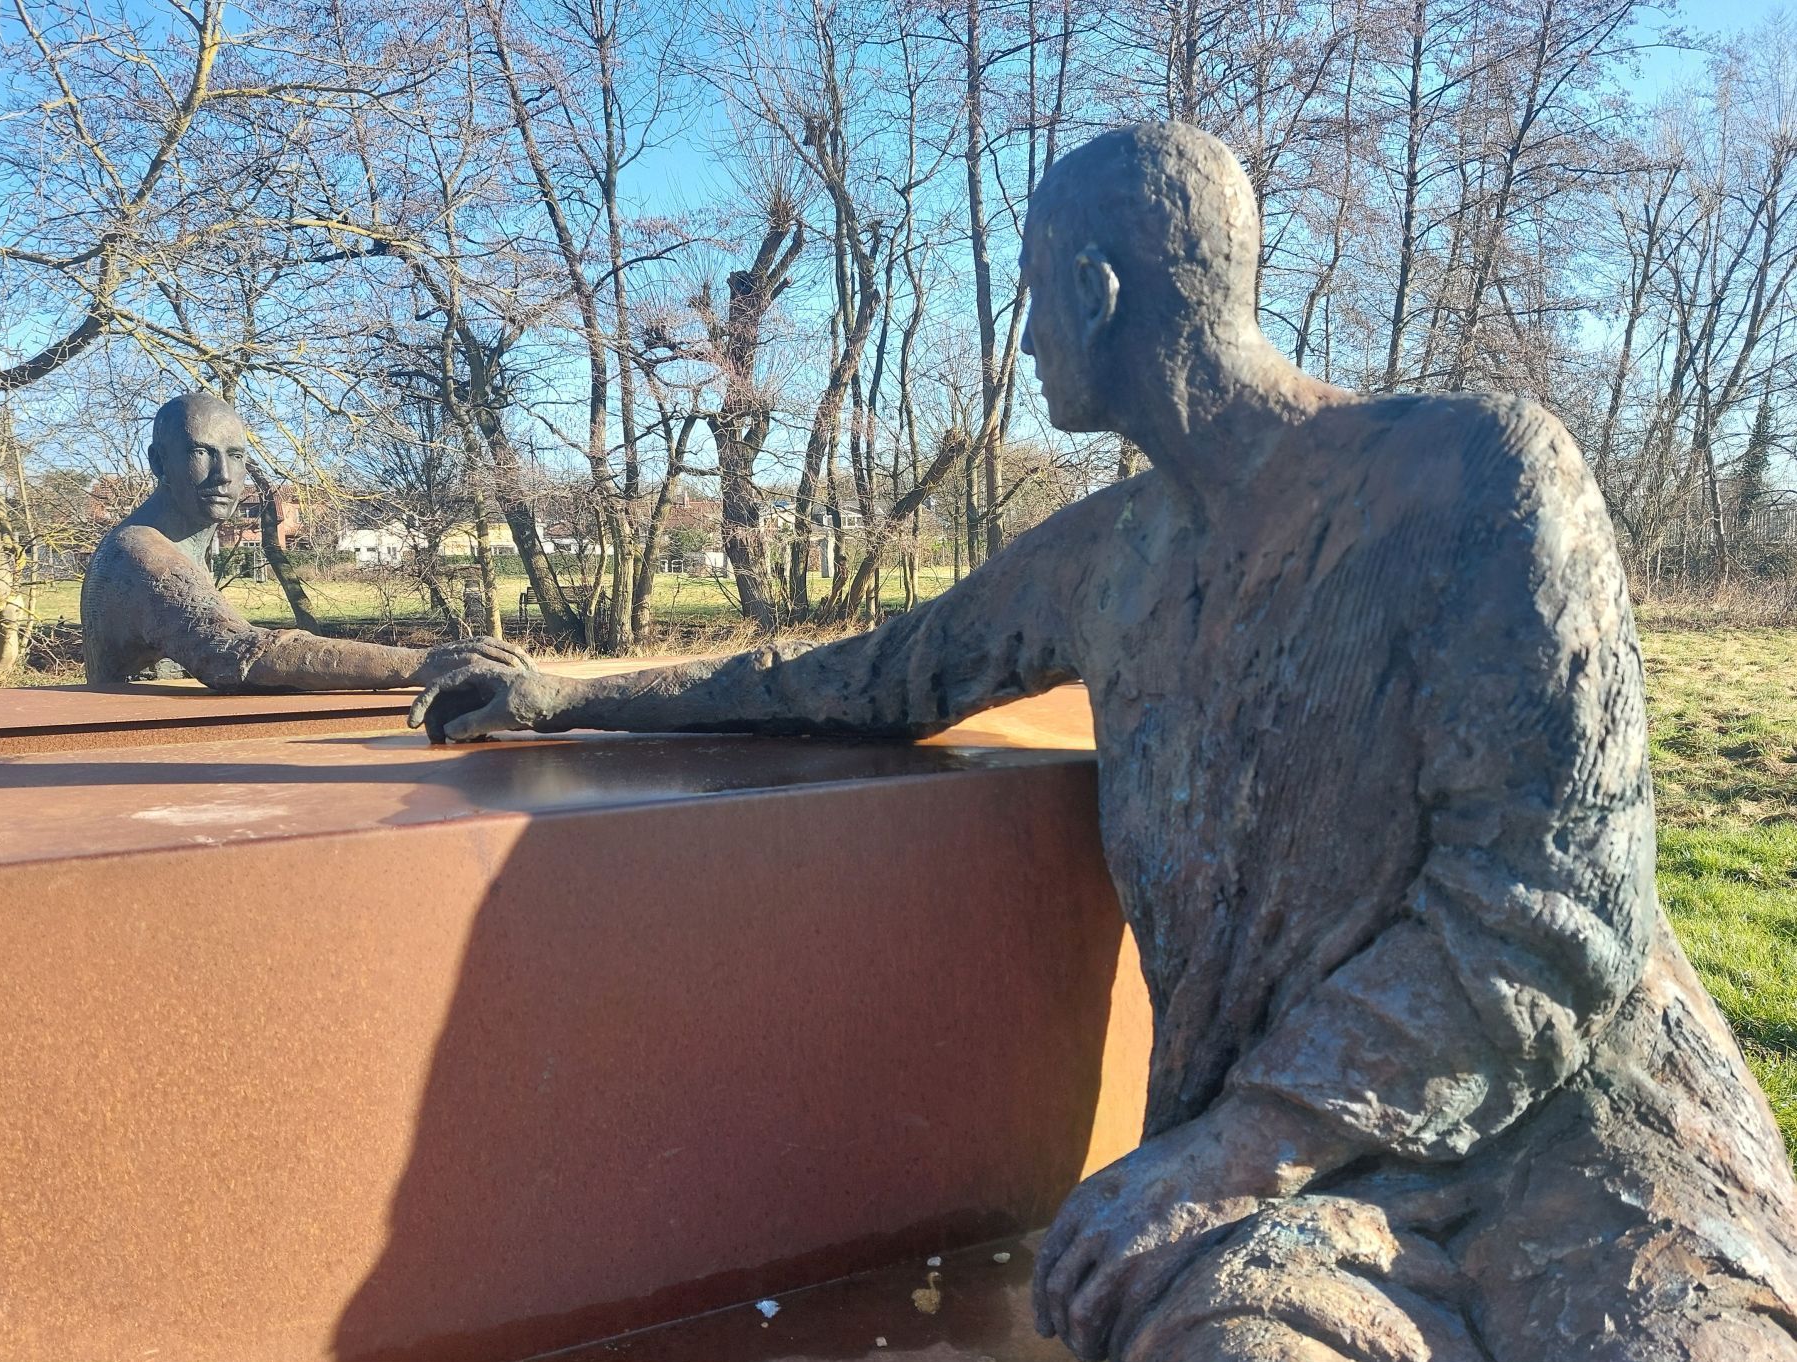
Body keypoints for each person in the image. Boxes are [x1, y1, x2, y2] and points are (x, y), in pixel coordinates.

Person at [406, 123, 1797, 1361]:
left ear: (1090, 292)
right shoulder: (1103, 562)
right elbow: (866, 676)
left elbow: (1542, 915)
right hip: (1304, 1211)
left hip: (1568, 1146)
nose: (1020, 343)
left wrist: (1232, 1148)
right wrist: (570, 690)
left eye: (1026, 299)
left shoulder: (1472, 475)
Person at [81, 392, 508, 690]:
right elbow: (236, 654)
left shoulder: (177, 544)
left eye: (236, 456)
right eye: (201, 453)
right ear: (159, 461)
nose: (224, 476)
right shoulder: (139, 553)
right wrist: (423, 663)